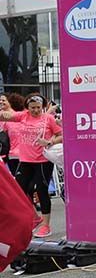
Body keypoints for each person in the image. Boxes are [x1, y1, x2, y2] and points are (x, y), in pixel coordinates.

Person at [0, 94, 63, 238]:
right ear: (27, 107)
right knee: (18, 191)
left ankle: (46, 225)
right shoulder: (23, 116)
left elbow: (62, 135)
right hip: (25, 160)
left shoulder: (48, 119)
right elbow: (4, 116)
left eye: (38, 108)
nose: (36, 111)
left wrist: (49, 142)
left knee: (41, 190)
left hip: (42, 161)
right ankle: (35, 218)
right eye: (32, 108)